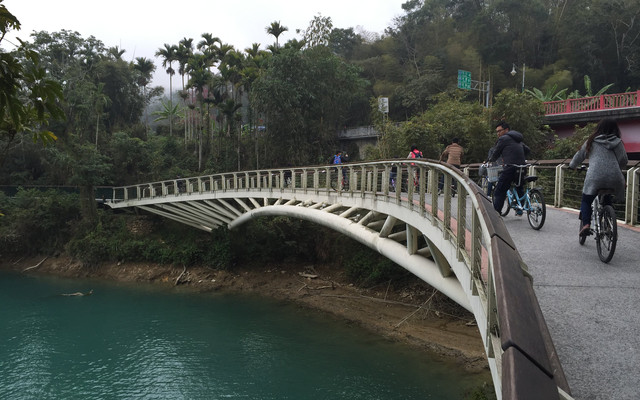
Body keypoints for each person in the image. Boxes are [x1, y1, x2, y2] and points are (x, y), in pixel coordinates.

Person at [569, 118, 628, 237]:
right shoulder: (617, 142)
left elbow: (580, 155)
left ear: (599, 128)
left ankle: (586, 224)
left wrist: (572, 166)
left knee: (586, 200)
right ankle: (608, 224)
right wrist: (616, 167)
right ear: (615, 129)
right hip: (614, 177)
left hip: (595, 176)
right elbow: (624, 160)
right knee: (607, 199)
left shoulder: (591, 140)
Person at [488, 122, 530, 214]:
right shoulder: (517, 139)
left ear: (506, 130)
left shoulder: (503, 139)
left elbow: (496, 152)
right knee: (519, 186)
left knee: (500, 190)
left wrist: (490, 160)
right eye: (497, 132)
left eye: (499, 131)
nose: (498, 133)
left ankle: (496, 214)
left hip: (510, 168)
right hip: (522, 167)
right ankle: (520, 208)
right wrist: (520, 158)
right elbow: (527, 149)